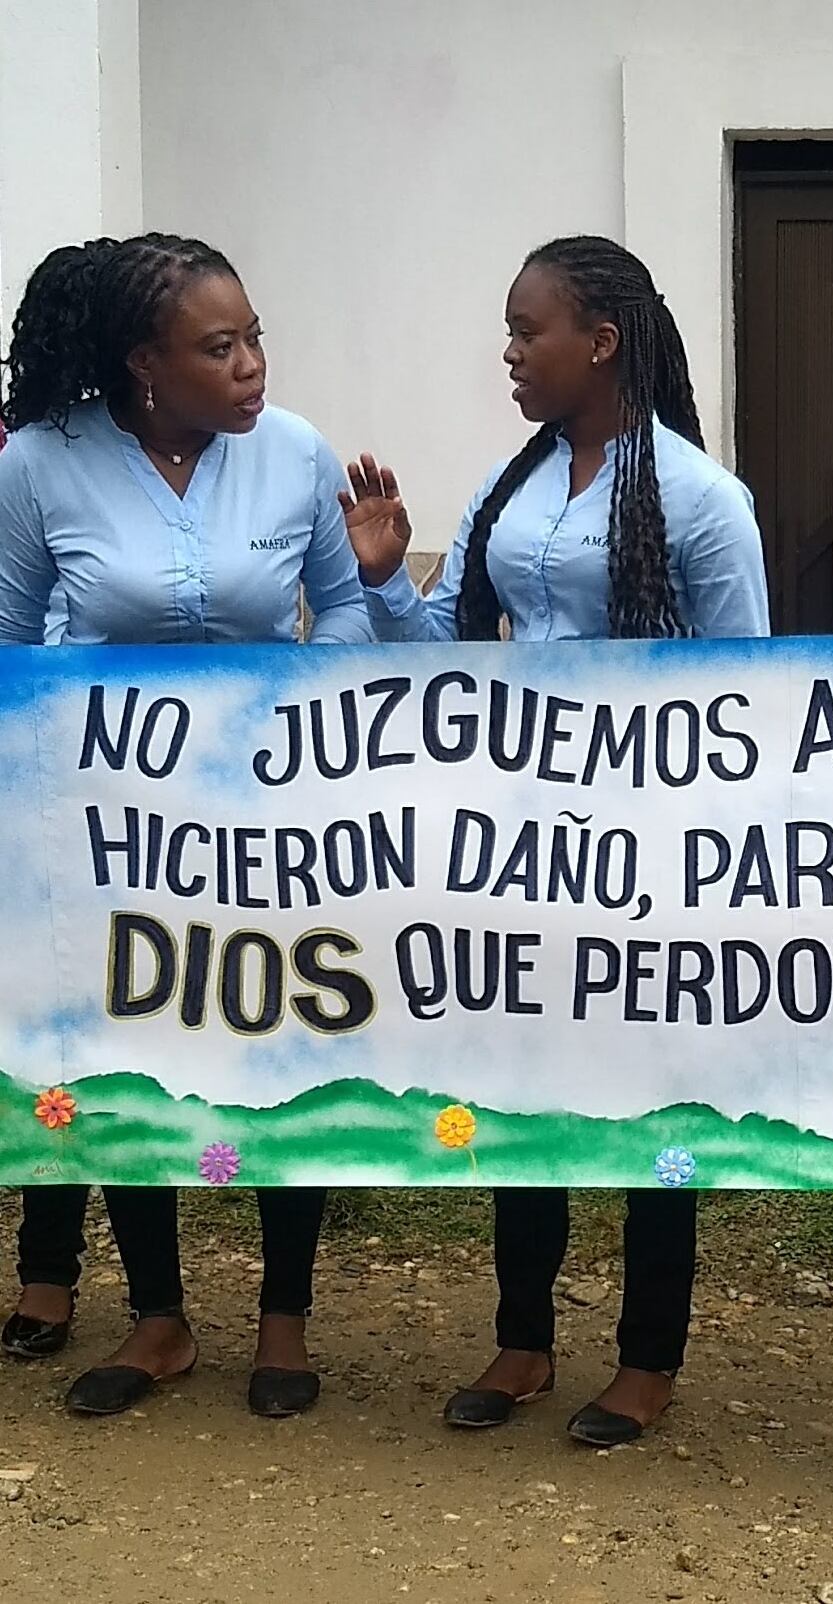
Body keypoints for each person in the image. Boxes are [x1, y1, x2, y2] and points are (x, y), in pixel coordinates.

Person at [341, 235, 768, 1447]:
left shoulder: (698, 497)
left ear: (603, 340)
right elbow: (443, 657)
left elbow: (750, 695)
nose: (513, 354)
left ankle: (647, 1357)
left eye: (530, 332)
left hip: (651, 859)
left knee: (651, 1109)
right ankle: (522, 1336)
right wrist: (380, 579)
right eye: (511, 332)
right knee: (520, 1090)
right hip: (516, 851)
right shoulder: (511, 487)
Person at [0, 232, 373, 1415]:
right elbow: (9, 641)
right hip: (110, 830)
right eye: (222, 347)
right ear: (144, 363)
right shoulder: (40, 465)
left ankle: (284, 1323)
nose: (255, 365)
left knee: (286, 1052)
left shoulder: (297, 453)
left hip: (275, 824)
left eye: (256, 335)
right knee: (132, 1062)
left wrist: (336, 704)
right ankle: (157, 1318)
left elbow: (348, 616)